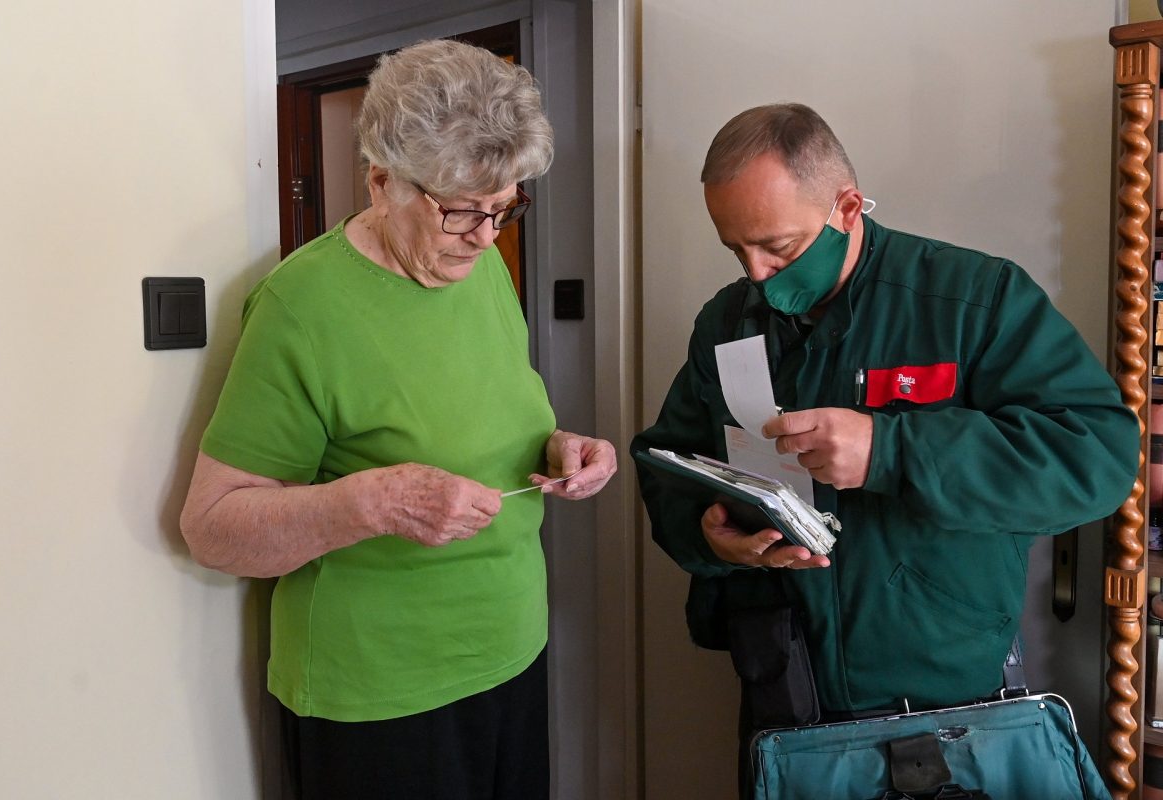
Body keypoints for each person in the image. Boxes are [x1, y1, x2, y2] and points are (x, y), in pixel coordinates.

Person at [631, 103, 1137, 795]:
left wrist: (889, 450)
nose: (758, 274)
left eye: (779, 248)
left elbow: (1098, 456)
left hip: (947, 713)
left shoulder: (975, 299)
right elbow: (668, 463)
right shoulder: (726, 323)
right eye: (736, 250)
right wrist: (707, 533)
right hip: (783, 701)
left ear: (846, 209)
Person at [179, 39, 616, 800]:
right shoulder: (301, 308)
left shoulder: (480, 266)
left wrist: (560, 446)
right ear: (382, 182)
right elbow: (212, 528)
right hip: (379, 693)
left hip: (510, 651)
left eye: (504, 208)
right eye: (461, 211)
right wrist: (375, 502)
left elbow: (479, 414)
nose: (487, 236)